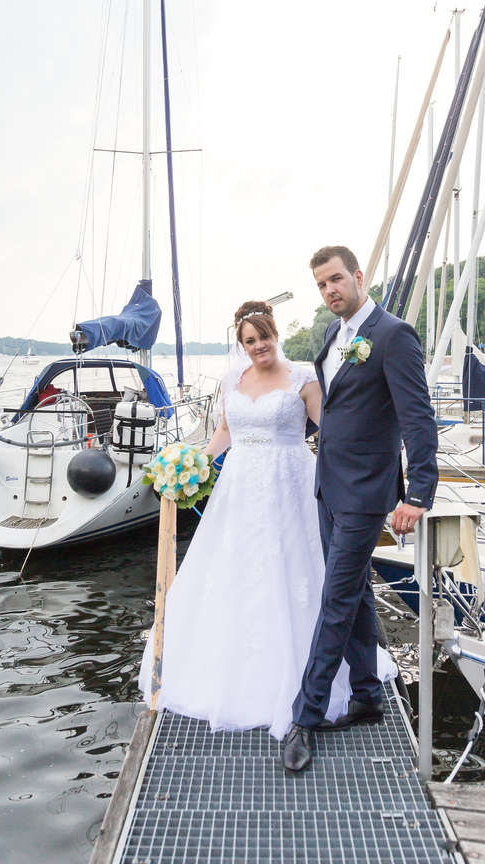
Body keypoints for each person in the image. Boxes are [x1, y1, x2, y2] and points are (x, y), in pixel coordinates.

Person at [138, 299, 396, 738]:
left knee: (300, 572)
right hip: (239, 487)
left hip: (290, 482)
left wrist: (370, 464)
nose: (259, 346)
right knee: (234, 571)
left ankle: (318, 679)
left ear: (276, 335)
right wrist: (189, 463)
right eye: (250, 341)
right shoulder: (232, 379)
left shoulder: (303, 378)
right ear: (242, 344)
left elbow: (333, 433)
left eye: (264, 338)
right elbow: (225, 432)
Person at [283, 246, 438, 772]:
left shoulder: (393, 336)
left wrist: (418, 494)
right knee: (356, 596)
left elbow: (418, 420)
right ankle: (369, 694)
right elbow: (334, 410)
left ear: (358, 276)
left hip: (368, 493)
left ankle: (306, 716)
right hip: (329, 485)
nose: (330, 291)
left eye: (336, 280)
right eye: (322, 285)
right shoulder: (333, 336)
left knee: (335, 599)